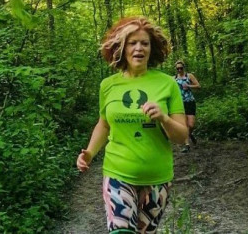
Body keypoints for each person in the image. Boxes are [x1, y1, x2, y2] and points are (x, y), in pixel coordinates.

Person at [77, 17, 189, 234]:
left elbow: (181, 136)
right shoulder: (108, 86)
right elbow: (104, 125)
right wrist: (89, 154)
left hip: (157, 177)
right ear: (121, 48)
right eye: (132, 43)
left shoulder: (167, 84)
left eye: (144, 43)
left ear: (152, 48)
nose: (139, 48)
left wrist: (164, 118)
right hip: (118, 172)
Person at [174, 60, 201, 152]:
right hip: (180, 103)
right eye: (178, 68)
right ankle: (187, 145)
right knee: (184, 124)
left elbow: (198, 86)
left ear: (184, 68)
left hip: (190, 101)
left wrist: (189, 86)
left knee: (191, 124)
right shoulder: (173, 78)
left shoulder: (189, 76)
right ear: (176, 69)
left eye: (181, 68)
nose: (179, 70)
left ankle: (189, 134)